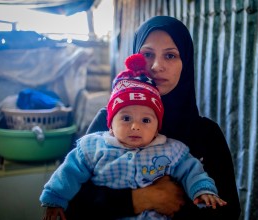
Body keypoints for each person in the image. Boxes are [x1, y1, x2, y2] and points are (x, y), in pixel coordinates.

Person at [65, 16, 241, 219]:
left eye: (170, 56)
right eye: (147, 54)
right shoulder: (109, 121)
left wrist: (176, 200)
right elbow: (71, 202)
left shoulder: (206, 134)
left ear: (186, 63)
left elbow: (228, 212)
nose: (157, 66)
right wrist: (141, 198)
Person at [40, 54, 227, 220]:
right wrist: (55, 199)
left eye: (146, 120)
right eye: (126, 118)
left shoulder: (172, 149)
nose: (135, 126)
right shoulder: (93, 147)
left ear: (157, 128)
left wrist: (202, 189)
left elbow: (191, 170)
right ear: (111, 124)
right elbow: (69, 173)